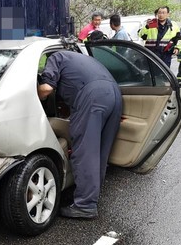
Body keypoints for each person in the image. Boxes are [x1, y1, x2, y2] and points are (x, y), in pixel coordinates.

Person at [37, 49, 122, 219]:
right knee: (100, 151)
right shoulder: (81, 57)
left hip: (92, 96)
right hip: (114, 93)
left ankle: (85, 205)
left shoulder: (56, 56)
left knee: (85, 152)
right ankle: (92, 194)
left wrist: (37, 99)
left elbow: (46, 88)